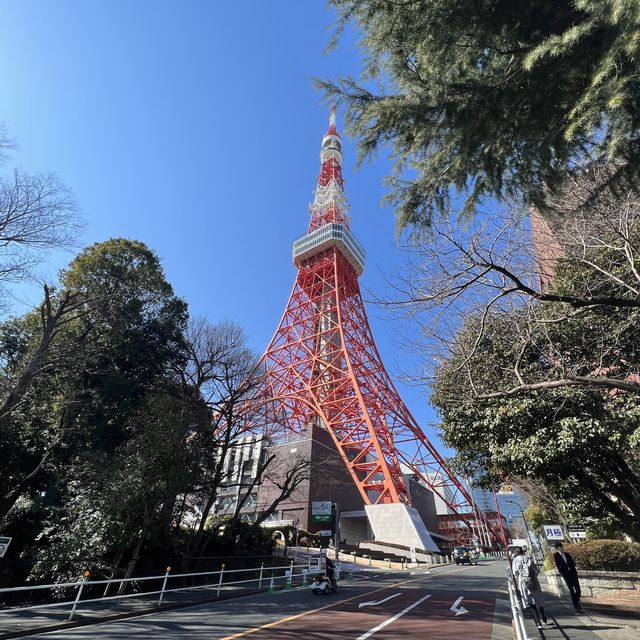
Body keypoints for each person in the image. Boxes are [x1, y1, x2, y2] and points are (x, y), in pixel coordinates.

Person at [511, 546, 549, 628]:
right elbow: (536, 570)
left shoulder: (515, 560)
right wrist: (533, 576)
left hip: (524, 583)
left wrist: (521, 578)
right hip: (534, 581)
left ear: (515, 553)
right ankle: (543, 619)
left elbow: (515, 573)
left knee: (531, 602)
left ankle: (537, 622)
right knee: (538, 600)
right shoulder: (529, 558)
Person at [553, 542, 582, 612]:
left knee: (578, 589)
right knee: (571, 590)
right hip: (566, 574)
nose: (562, 548)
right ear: (557, 549)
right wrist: (564, 571)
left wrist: (572, 568)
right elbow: (558, 566)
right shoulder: (556, 556)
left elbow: (572, 563)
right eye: (560, 547)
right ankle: (576, 606)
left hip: (573, 573)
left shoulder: (567, 554)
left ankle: (576, 598)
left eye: (562, 546)